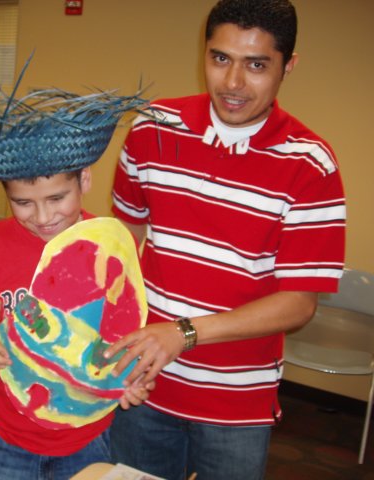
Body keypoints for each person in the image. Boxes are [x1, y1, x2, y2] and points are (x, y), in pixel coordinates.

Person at [105, 1, 346, 479]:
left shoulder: (311, 165)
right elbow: (122, 240)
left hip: (236, 400)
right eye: (220, 59)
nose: (233, 82)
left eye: (256, 65)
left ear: (288, 66)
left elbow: (299, 303)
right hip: (141, 380)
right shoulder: (153, 127)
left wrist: (183, 333)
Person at [0, 86, 152, 479]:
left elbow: (121, 332)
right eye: (23, 203)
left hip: (86, 435)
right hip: (0, 434)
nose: (42, 217)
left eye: (57, 198)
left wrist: (127, 377)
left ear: (84, 179)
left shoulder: (108, 248)